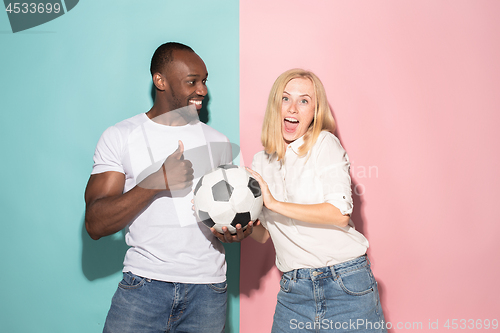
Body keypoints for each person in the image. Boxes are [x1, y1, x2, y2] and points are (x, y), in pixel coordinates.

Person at [84, 42, 254, 333]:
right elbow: (95, 224)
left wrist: (235, 232)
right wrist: (156, 182)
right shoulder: (121, 136)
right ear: (159, 80)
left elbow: (230, 215)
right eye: (192, 81)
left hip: (207, 293)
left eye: (204, 81)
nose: (202, 90)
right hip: (143, 288)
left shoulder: (219, 142)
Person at [247, 69, 387, 333]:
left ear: (315, 111)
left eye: (304, 101)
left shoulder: (325, 145)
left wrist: (273, 203)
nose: (293, 108)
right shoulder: (260, 162)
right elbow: (264, 235)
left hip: (345, 285)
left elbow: (338, 213)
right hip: (294, 291)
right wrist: (239, 223)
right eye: (285, 98)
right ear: (275, 105)